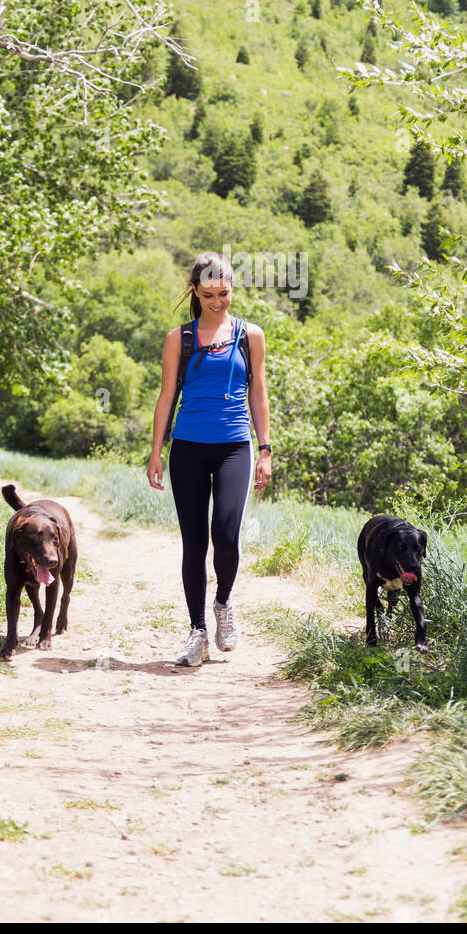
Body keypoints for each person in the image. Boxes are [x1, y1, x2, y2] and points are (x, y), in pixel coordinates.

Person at [147, 252, 271, 666]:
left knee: (227, 536)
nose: (217, 301)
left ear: (232, 289)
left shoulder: (251, 335)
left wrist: (265, 449)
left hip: (234, 446)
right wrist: (156, 453)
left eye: (224, 293)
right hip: (188, 448)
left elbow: (258, 395)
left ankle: (223, 603)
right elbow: (167, 397)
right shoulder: (178, 339)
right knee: (195, 543)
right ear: (195, 292)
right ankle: (197, 631)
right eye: (208, 295)